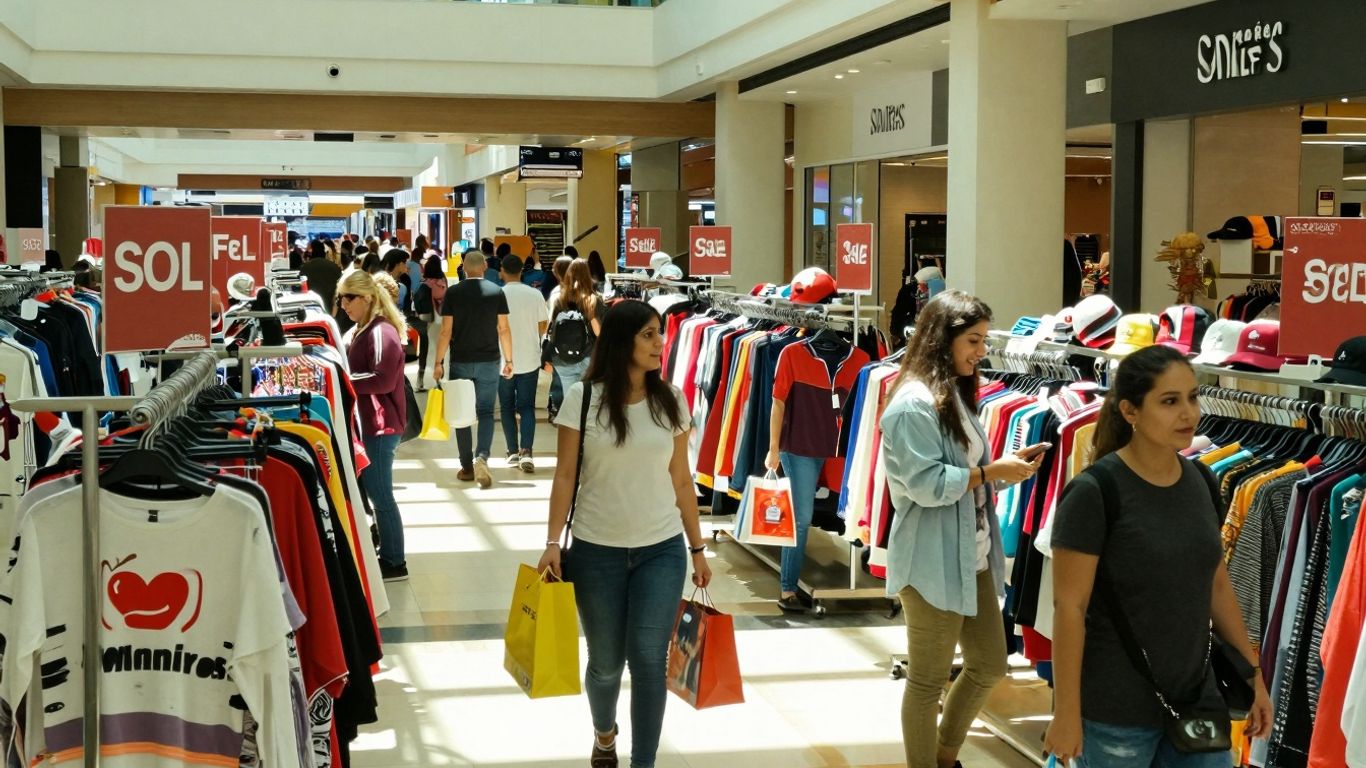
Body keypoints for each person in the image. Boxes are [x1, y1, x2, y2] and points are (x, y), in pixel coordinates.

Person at [1042, 346, 1271, 767]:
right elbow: (1069, 608)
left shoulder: (1201, 479)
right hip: (1115, 708)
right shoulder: (1096, 492)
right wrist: (1066, 712)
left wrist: (1253, 678)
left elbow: (1216, 582)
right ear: (1130, 411)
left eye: (1192, 397)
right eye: (1169, 401)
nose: (1188, 413)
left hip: (1197, 699)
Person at [536, 299, 713, 768]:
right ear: (622, 341)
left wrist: (697, 549)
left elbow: (681, 480)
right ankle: (605, 732)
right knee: (606, 662)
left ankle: (643, 763)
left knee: (650, 662)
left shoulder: (671, 400)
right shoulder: (584, 398)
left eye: (660, 333)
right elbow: (565, 475)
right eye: (648, 335)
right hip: (596, 551)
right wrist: (553, 542)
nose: (661, 343)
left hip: (661, 550)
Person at [878, 290, 1043, 768]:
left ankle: (944, 757)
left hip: (969, 556)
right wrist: (995, 473)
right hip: (930, 562)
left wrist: (1005, 466)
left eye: (984, 340)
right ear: (942, 338)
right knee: (927, 680)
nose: (981, 351)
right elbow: (928, 485)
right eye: (974, 340)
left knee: (991, 662)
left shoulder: (954, 394)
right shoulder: (913, 405)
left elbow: (966, 467)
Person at [337, 271, 409, 582]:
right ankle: (387, 551)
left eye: (349, 297)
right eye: (341, 298)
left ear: (367, 298)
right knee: (376, 493)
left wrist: (342, 382)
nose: (343, 305)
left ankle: (395, 561)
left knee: (381, 495)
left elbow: (384, 379)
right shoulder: (365, 329)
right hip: (371, 424)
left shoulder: (382, 332)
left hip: (380, 426)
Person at [434, 250, 514, 489]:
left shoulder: (454, 293)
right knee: (486, 411)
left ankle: (467, 466)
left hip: (461, 361)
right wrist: (509, 360)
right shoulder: (496, 292)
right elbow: (504, 329)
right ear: (485, 266)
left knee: (462, 415)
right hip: (489, 360)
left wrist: (438, 363)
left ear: (463, 268)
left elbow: (446, 331)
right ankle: (482, 457)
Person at [495, 255, 550, 472]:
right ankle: (527, 451)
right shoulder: (535, 294)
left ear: (502, 271)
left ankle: (512, 452)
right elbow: (543, 325)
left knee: (507, 407)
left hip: (502, 360)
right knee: (527, 407)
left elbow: (496, 327)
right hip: (530, 358)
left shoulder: (497, 294)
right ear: (522, 271)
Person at [547, 259, 603, 419]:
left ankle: (571, 434)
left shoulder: (559, 299)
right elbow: (598, 332)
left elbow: (552, 328)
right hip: (588, 356)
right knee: (589, 401)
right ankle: (585, 436)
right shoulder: (593, 300)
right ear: (587, 276)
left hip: (563, 358)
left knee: (570, 402)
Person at [412, 257, 448, 392]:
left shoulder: (424, 282)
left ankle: (421, 380)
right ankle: (439, 378)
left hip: (427, 320)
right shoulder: (442, 281)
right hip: (442, 318)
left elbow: (416, 299)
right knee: (441, 349)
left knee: (425, 349)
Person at [300, 238, 343, 311]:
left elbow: (303, 287)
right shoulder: (334, 266)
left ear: (311, 252)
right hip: (331, 305)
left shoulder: (306, 267)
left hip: (312, 305)